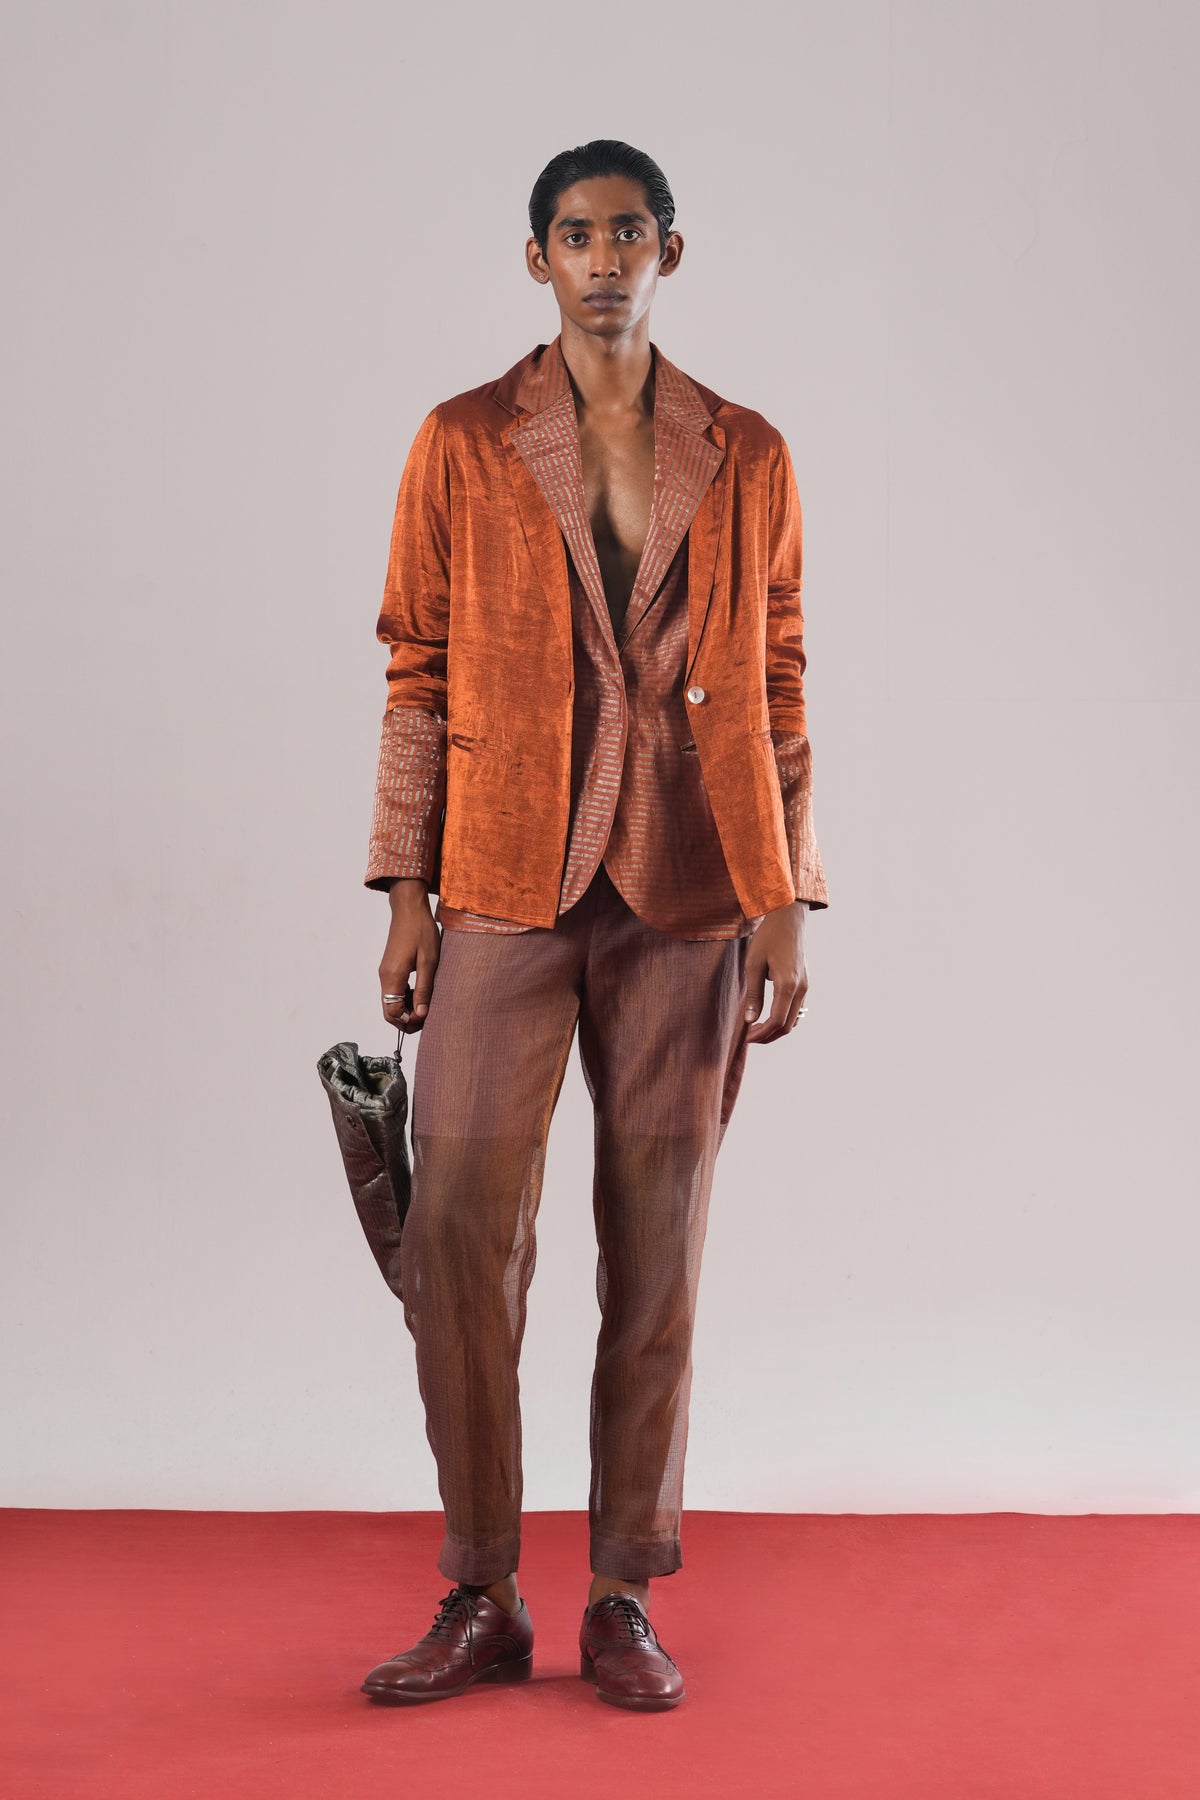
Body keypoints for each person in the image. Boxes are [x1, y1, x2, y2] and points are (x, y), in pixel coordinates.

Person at [357, 138, 829, 1712]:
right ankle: (482, 1586)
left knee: (658, 1245)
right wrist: (407, 889)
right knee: (457, 1231)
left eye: (630, 232)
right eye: (577, 234)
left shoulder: (746, 451)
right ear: (538, 259)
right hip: (503, 876)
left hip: (691, 887)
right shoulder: (462, 439)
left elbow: (778, 678)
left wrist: (785, 892)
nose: (605, 257)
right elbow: (417, 669)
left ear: (669, 254)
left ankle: (623, 1590)